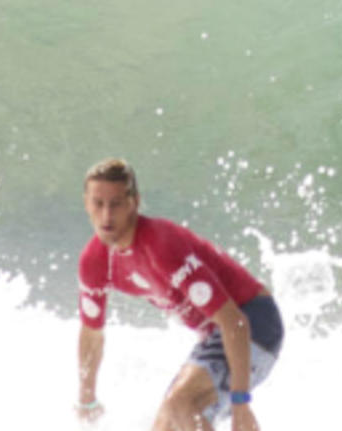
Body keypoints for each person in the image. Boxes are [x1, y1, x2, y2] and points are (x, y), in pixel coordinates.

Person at [74, 158, 283, 431]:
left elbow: (236, 322)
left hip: (254, 320)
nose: (106, 216)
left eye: (115, 204)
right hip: (217, 335)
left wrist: (240, 403)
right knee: (166, 424)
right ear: (86, 203)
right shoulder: (94, 261)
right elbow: (91, 333)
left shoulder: (160, 245)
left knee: (180, 404)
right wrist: (87, 398)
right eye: (98, 204)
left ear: (134, 202)